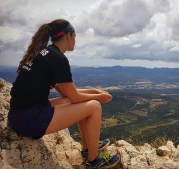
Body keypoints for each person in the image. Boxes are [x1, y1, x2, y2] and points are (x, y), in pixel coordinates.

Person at [8, 19, 120, 169]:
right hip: (29, 119)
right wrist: (98, 97)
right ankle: (94, 161)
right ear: (68, 35)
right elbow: (73, 96)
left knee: (77, 102)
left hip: (20, 115)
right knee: (94, 106)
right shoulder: (57, 58)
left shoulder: (45, 53)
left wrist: (95, 91)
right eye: (75, 36)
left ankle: (88, 148)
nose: (75, 40)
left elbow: (67, 94)